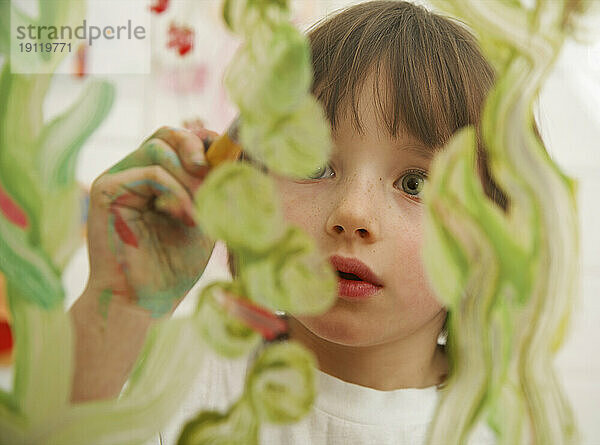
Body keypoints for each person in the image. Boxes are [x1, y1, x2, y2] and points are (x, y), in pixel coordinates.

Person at [70, 1, 506, 443]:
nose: (352, 214)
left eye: (415, 184)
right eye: (315, 166)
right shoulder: (177, 375)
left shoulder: (507, 429)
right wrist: (122, 303)